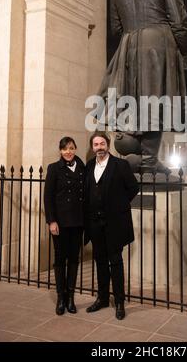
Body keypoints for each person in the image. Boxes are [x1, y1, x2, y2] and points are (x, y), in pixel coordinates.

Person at [98, 0, 187, 173]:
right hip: (159, 45)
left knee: (131, 103)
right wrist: (185, 53)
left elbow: (115, 28)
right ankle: (149, 161)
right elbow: (179, 23)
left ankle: (135, 155)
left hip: (128, 45)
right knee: (156, 102)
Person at [84, 131, 139, 320]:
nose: (99, 147)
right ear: (93, 147)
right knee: (100, 261)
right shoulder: (90, 165)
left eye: (102, 143)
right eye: (95, 144)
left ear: (108, 144)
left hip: (114, 223)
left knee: (115, 262)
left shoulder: (121, 165)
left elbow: (133, 188)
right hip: (95, 223)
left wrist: (118, 206)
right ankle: (102, 298)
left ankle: (120, 302)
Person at [44, 137, 85, 315]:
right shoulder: (54, 168)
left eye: (71, 148)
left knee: (74, 259)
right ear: (60, 151)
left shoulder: (83, 168)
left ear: (75, 149)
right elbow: (48, 197)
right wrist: (51, 221)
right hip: (59, 223)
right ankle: (61, 297)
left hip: (77, 222)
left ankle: (71, 298)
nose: (68, 152)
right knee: (60, 259)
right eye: (64, 149)